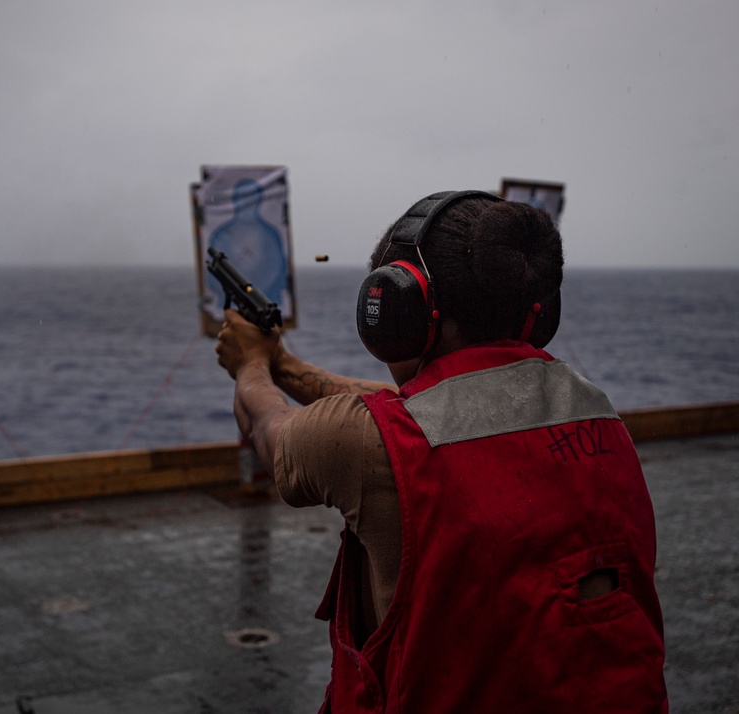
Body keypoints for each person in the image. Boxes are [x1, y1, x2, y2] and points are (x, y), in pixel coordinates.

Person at [214, 190, 668, 713]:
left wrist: (250, 363)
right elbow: (416, 411)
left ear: (405, 312)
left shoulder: (377, 444)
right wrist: (285, 365)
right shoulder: (598, 416)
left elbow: (270, 429)